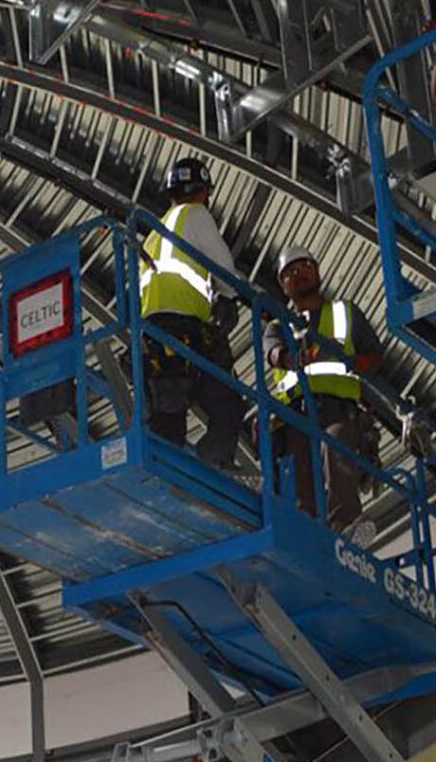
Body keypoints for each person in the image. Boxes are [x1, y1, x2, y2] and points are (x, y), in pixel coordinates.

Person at [263, 246, 383, 542]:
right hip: (295, 413)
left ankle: (345, 525)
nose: (297, 273)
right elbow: (273, 354)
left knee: (336, 449)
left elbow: (374, 355)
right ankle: (308, 536)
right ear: (283, 286)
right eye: (289, 272)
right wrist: (293, 359)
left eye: (303, 265)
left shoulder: (346, 312)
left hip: (337, 406)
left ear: (317, 271)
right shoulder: (278, 326)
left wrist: (355, 363)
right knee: (300, 473)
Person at [139, 157, 243, 469]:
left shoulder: (153, 234)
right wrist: (229, 297)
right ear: (203, 192)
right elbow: (223, 266)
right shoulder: (196, 215)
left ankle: (166, 474)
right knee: (228, 403)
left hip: (153, 338)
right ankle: (213, 465)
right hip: (185, 329)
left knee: (167, 416)